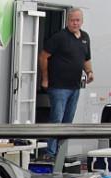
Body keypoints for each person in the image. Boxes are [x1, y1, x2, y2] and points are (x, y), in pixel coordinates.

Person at [39, 7, 94, 159]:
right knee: (56, 120)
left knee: (68, 123)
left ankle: (61, 154)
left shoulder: (85, 37)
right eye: (72, 20)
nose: (75, 23)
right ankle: (51, 153)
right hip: (58, 87)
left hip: (75, 87)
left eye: (78, 20)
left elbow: (86, 59)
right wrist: (45, 78)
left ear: (82, 21)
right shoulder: (59, 37)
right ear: (67, 21)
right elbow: (43, 56)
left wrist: (89, 72)